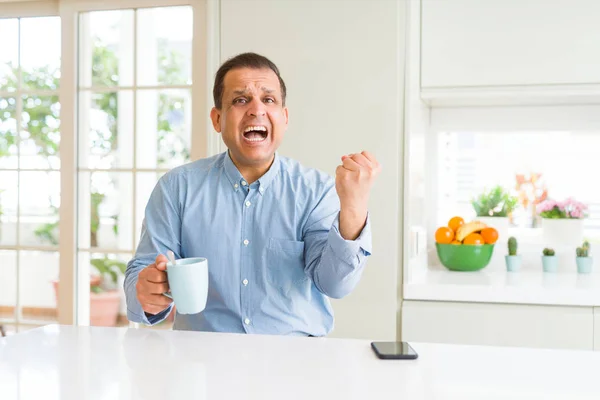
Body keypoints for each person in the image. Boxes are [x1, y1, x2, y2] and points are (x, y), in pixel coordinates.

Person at [125, 52, 381, 336]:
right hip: (203, 360)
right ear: (217, 119)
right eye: (240, 100)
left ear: (284, 118)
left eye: (268, 99)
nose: (256, 110)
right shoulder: (177, 187)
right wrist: (146, 291)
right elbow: (143, 270)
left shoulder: (316, 191)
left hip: (296, 362)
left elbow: (335, 284)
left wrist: (354, 208)